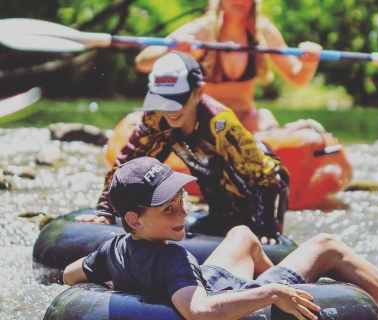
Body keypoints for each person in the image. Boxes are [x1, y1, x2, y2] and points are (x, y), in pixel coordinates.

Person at [64, 156, 378, 320]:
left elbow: (69, 277)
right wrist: (270, 296)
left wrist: (123, 285)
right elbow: (200, 313)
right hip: (220, 293)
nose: (183, 212)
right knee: (327, 244)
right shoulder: (173, 259)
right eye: (168, 209)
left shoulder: (111, 249)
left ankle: (285, 281)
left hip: (207, 279)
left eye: (181, 200)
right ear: (134, 220)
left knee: (242, 234)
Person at [76, 51, 289, 244]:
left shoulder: (221, 125)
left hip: (259, 203)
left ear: (199, 92)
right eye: (163, 100)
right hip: (220, 211)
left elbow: (269, 177)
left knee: (249, 224)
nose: (170, 110)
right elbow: (128, 165)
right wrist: (105, 210)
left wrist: (267, 228)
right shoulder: (156, 117)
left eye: (177, 100)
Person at [135, 0, 322, 132]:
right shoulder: (201, 30)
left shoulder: (262, 32)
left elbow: (297, 78)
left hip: (245, 120)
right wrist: (172, 49)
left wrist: (309, 63)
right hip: (202, 121)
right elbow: (143, 62)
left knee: (264, 117)